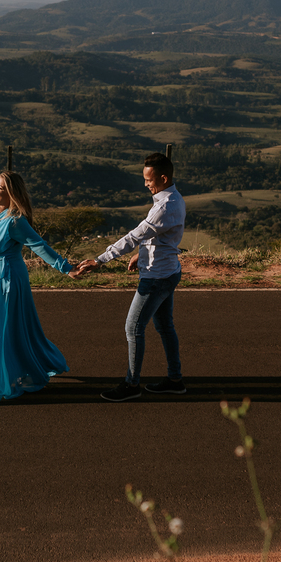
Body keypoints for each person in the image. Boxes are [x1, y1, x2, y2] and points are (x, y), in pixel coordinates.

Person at [0, 171, 78, 405]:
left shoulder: (15, 221)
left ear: (12, 193)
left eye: (1, 188)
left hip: (6, 279)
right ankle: (19, 367)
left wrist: (66, 268)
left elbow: (39, 246)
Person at [75, 152, 186, 401]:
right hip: (168, 271)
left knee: (133, 328)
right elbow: (158, 237)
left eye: (149, 179)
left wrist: (100, 260)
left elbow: (135, 235)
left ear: (164, 177)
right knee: (165, 326)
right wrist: (142, 254)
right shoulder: (173, 198)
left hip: (156, 278)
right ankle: (175, 379)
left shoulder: (164, 206)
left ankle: (132, 384)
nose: (145, 184)